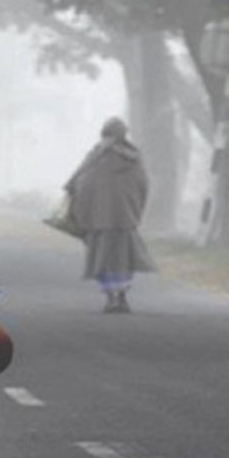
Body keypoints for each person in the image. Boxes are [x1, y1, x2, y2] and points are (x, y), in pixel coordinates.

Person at [64, 117, 156, 313]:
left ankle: (111, 298)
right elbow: (143, 186)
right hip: (125, 219)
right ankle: (121, 296)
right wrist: (134, 209)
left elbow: (78, 182)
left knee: (102, 258)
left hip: (99, 220)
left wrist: (81, 209)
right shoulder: (134, 157)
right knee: (123, 259)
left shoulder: (97, 156)